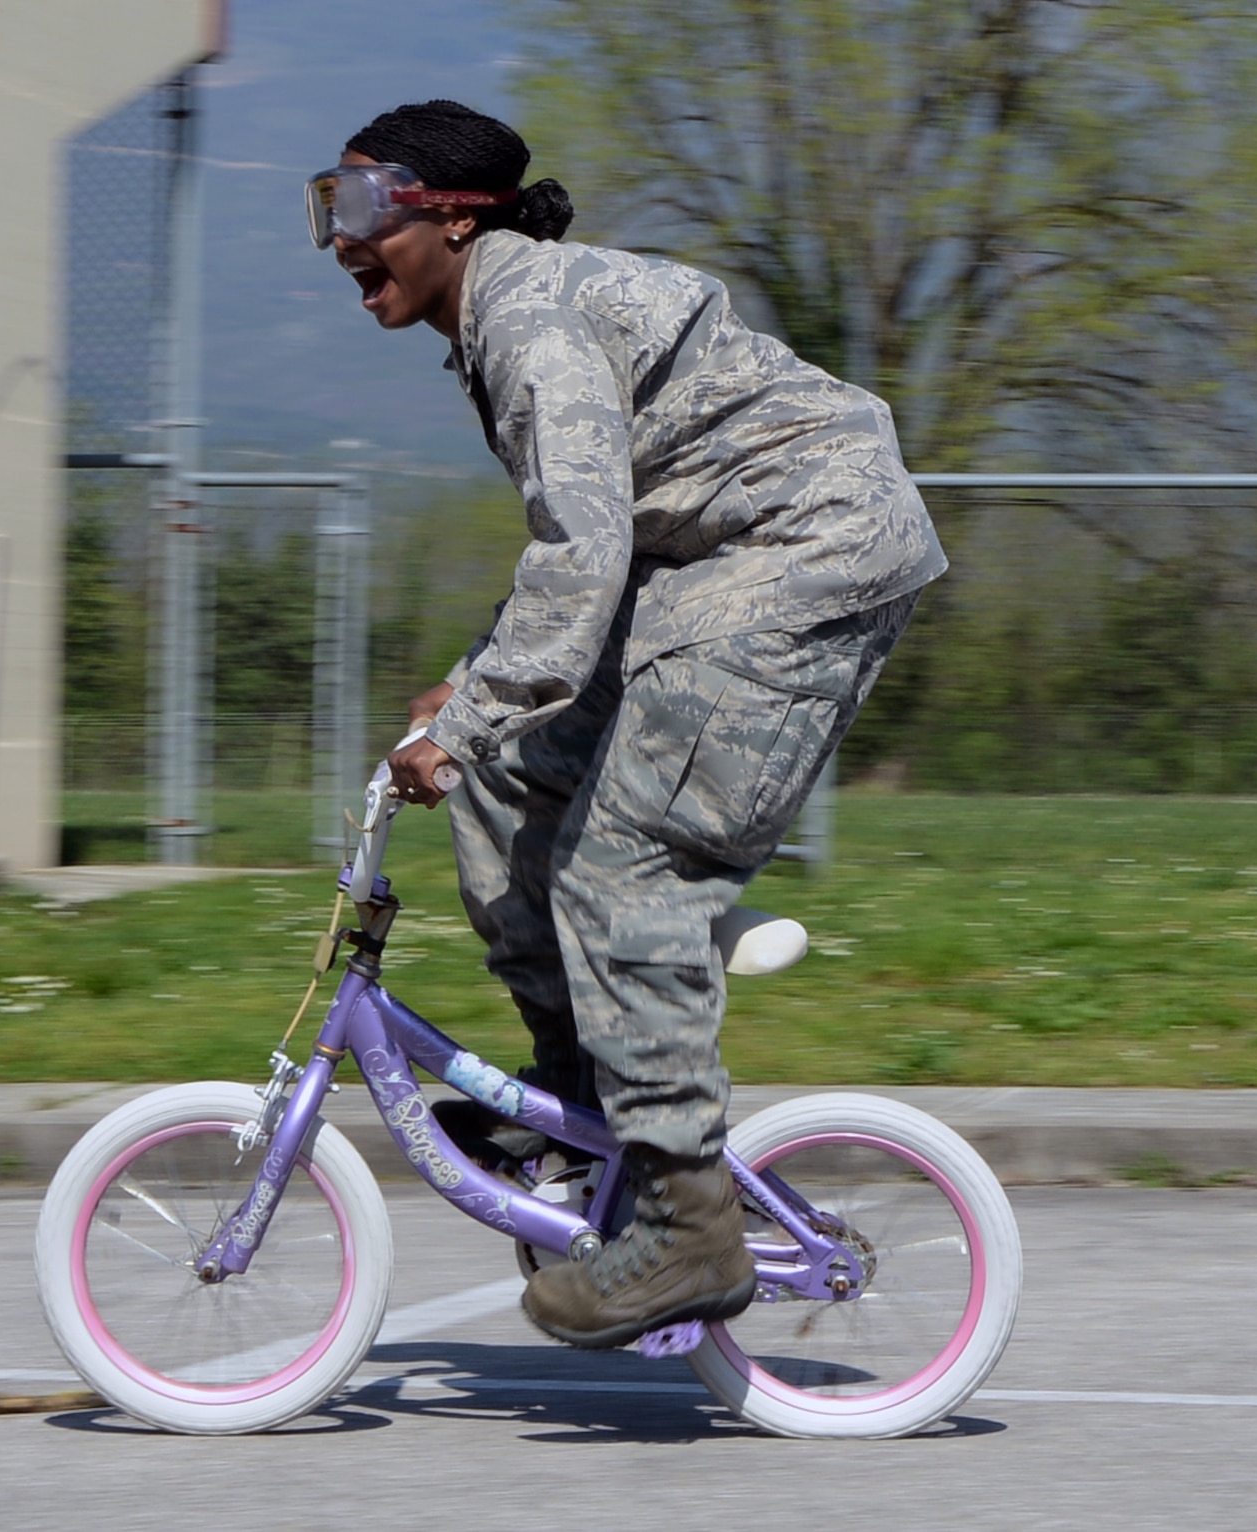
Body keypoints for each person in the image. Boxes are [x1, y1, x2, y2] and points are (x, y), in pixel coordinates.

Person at [307, 101, 946, 1349]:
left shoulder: (528, 321)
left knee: (626, 864)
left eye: (360, 207)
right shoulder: (499, 311)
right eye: (324, 210)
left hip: (802, 563)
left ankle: (683, 1217)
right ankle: (579, 1096)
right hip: (708, 572)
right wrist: (474, 692)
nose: (339, 239)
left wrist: (478, 700)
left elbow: (585, 548)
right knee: (499, 780)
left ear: (449, 215)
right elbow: (591, 542)